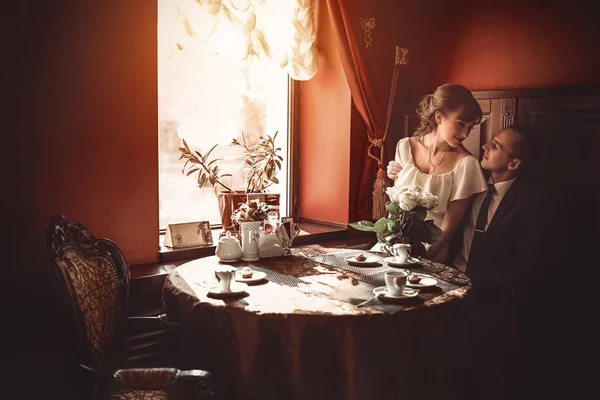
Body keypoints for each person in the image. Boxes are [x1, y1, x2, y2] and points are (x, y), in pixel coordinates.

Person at [446, 124, 548, 399]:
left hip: (492, 299)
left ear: (514, 163)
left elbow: (528, 268)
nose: (485, 146)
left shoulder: (533, 202)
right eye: (490, 141)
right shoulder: (474, 183)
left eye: (496, 146)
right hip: (447, 284)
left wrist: (470, 282)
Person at [386, 83, 487, 262]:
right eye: (461, 124)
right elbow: (397, 204)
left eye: (470, 127)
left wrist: (426, 255)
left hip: (433, 246)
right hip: (395, 241)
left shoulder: (467, 164)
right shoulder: (405, 146)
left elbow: (450, 225)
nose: (465, 133)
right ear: (439, 117)